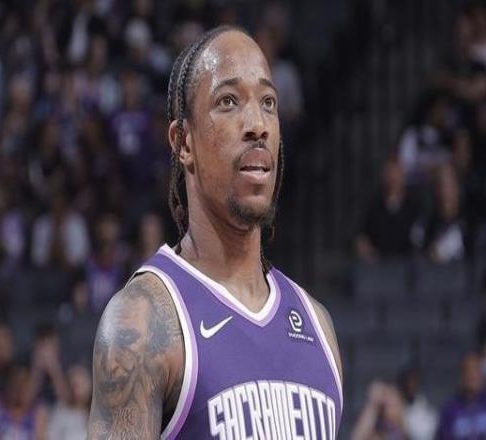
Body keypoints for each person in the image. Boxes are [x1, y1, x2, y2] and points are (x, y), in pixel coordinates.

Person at [88, 25, 343, 439]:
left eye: (268, 102)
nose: (257, 124)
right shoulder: (143, 322)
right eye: (228, 101)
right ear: (183, 142)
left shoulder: (319, 326)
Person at [436, 352, 486, 439]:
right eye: (467, 370)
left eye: (475, 370)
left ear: (482, 375)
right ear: (461, 375)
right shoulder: (450, 410)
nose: (471, 375)